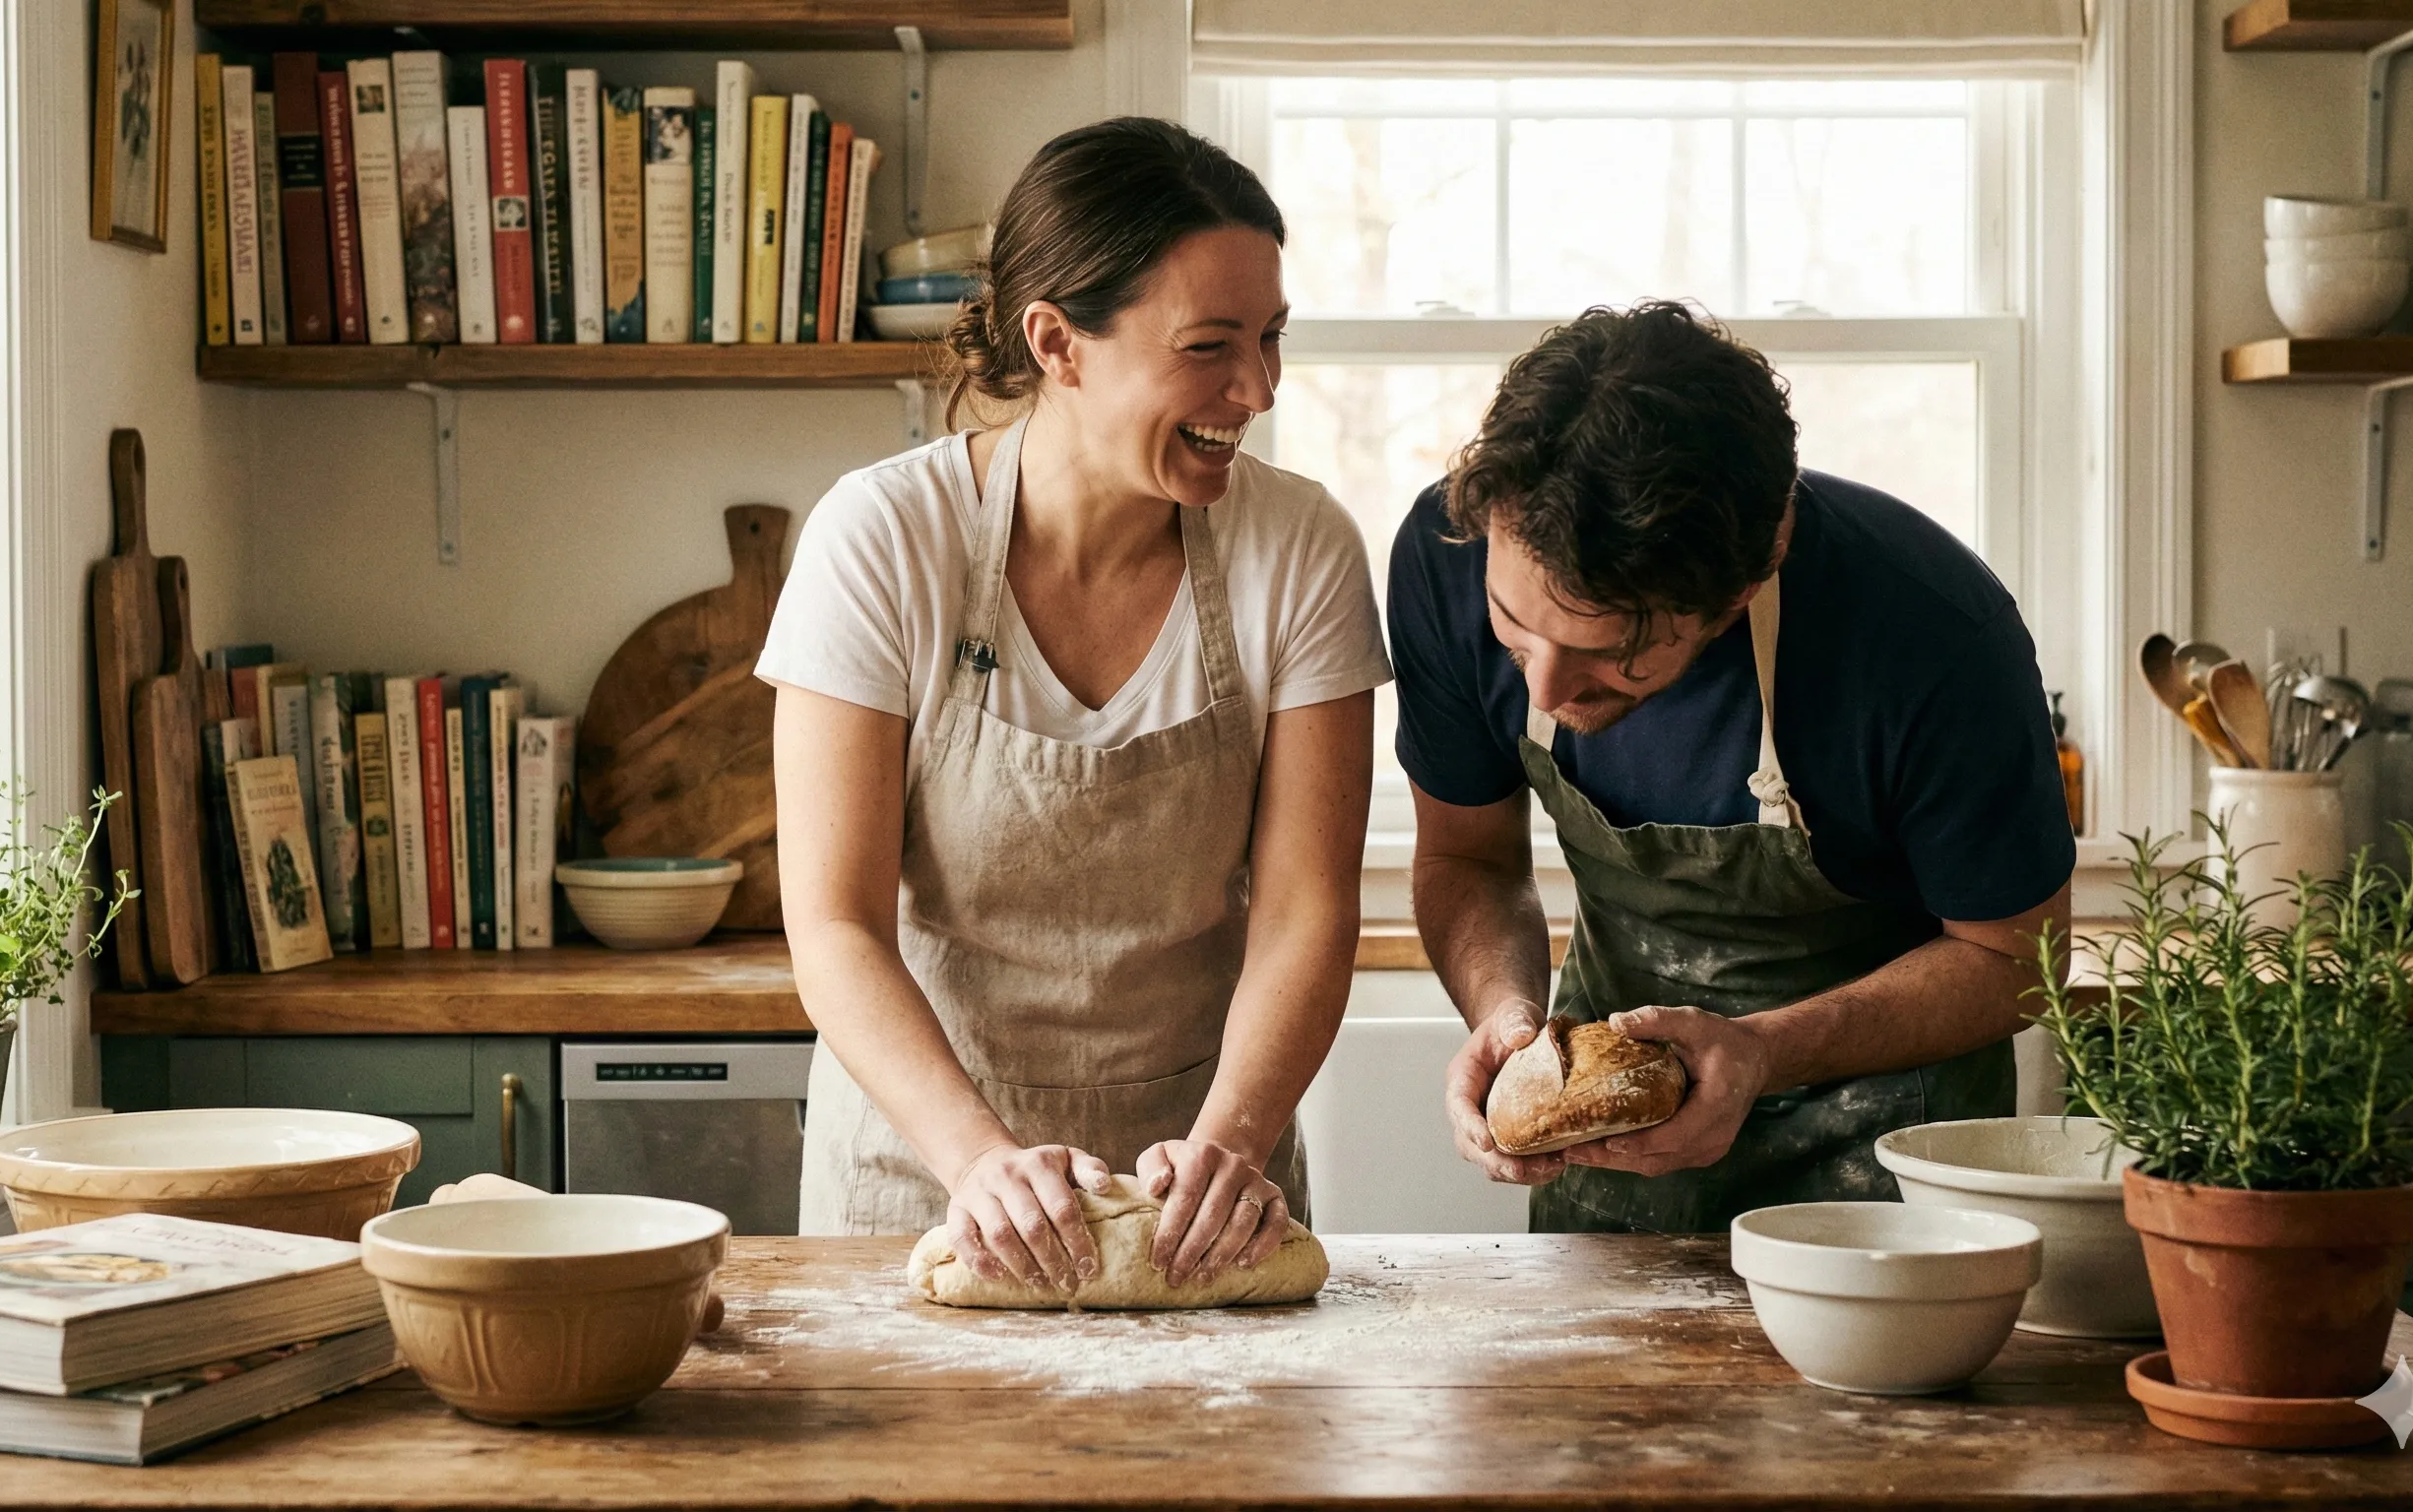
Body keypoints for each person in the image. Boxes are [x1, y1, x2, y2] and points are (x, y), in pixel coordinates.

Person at [760, 118, 1391, 1289]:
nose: (1256, 388)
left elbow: (1305, 909)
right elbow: (836, 922)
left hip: (1201, 1186)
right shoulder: (886, 538)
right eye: (1209, 347)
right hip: (923, 1174)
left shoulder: (1297, 547)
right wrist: (978, 1161)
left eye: (1270, 338)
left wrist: (1230, 1144)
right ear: (1057, 343)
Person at [1395, 301, 2074, 1233]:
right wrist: (1509, 1021)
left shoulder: (1933, 637)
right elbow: (1467, 858)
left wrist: (1762, 1050)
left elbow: (2015, 963)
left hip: (1883, 1150)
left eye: (1611, 652)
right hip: (1612, 1121)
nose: (1548, 691)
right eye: (1516, 633)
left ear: (1741, 588)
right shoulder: (1446, 553)